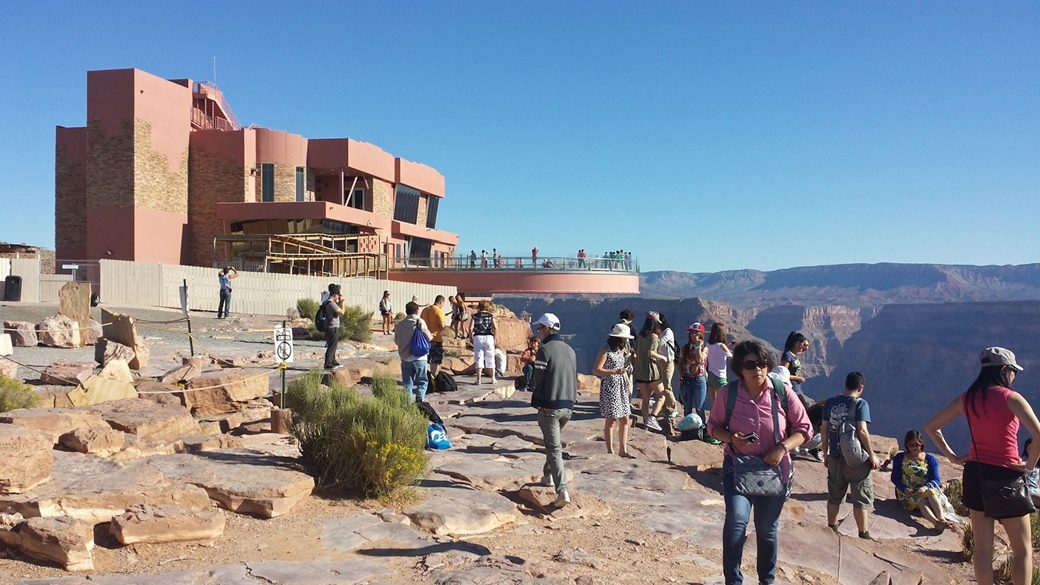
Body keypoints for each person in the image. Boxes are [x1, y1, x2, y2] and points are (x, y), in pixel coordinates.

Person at [926, 347, 1040, 585]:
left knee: (982, 551)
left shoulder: (967, 398)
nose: (1014, 376)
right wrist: (1029, 466)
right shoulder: (1011, 398)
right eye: (1013, 371)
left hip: (974, 474)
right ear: (1005, 370)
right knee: (1022, 551)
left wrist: (954, 457)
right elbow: (1038, 434)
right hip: (1005, 476)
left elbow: (931, 426)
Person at [706, 340, 812, 585]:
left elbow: (805, 429)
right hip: (738, 466)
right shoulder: (728, 394)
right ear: (739, 368)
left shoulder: (782, 392)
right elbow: (713, 427)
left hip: (774, 470)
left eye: (763, 363)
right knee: (736, 520)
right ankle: (733, 581)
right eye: (751, 365)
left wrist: (782, 447)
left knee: (766, 529)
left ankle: (767, 580)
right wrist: (731, 438)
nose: (758, 369)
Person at [820, 372, 881, 539]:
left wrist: (825, 454)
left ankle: (831, 529)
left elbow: (823, 430)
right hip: (856, 461)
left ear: (846, 385)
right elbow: (862, 430)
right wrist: (872, 454)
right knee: (860, 496)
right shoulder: (861, 404)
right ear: (861, 388)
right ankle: (863, 533)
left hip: (835, 458)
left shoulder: (830, 403)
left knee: (834, 496)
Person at [530, 313, 577, 508]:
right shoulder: (570, 350)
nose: (538, 332)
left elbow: (538, 378)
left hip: (550, 406)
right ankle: (548, 475)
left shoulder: (545, 350)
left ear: (547, 328)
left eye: (539, 328)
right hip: (568, 406)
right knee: (553, 443)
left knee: (554, 449)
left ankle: (562, 491)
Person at [891, 430, 954, 532]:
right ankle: (936, 523)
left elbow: (936, 480)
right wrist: (904, 488)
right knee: (921, 501)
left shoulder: (930, 459)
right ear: (907, 445)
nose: (914, 447)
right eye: (911, 445)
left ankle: (942, 519)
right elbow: (895, 477)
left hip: (924, 489)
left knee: (931, 493)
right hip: (907, 492)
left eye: (917, 444)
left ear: (922, 443)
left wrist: (925, 487)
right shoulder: (900, 458)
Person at [593, 323, 634, 457]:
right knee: (611, 420)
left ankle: (623, 450)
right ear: (618, 338)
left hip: (621, 386)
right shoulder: (604, 350)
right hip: (610, 387)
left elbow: (622, 367)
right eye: (624, 338)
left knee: (625, 419)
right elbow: (596, 370)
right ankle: (610, 451)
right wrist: (614, 371)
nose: (626, 340)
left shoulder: (620, 350)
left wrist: (628, 382)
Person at [679, 322, 718, 444]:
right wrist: (681, 374)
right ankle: (687, 432)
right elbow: (680, 361)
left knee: (700, 407)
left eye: (696, 333)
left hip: (699, 380)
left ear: (701, 334)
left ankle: (701, 433)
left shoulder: (704, 348)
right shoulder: (685, 348)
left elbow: (700, 359)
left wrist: (697, 347)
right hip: (687, 380)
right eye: (692, 332)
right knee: (687, 407)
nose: (693, 335)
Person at [393, 301, 433, 403]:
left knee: (407, 384)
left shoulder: (400, 325)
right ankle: (420, 401)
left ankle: (409, 404)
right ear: (416, 311)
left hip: (405, 358)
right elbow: (428, 337)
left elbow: (396, 341)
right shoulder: (419, 321)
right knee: (422, 382)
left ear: (406, 311)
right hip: (420, 357)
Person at [633, 312, 666, 432]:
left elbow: (635, 350)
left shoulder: (640, 336)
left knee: (645, 399)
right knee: (662, 396)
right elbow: (651, 353)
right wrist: (663, 357)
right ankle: (653, 417)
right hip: (651, 372)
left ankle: (647, 424)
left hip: (640, 371)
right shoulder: (654, 337)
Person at [656, 313, 680, 420]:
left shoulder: (668, 332)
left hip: (668, 362)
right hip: (660, 361)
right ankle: (665, 408)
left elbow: (660, 343)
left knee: (666, 384)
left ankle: (672, 409)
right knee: (660, 385)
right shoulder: (661, 332)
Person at [470, 300, 498, 384]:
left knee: (479, 357)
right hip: (488, 337)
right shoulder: (490, 316)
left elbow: (470, 328)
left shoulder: (475, 316)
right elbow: (495, 327)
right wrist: (494, 338)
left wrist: (470, 337)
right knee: (490, 357)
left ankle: (478, 379)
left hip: (478, 336)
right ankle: (493, 378)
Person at [420, 295, 448, 377]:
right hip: (435, 338)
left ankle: (423, 377)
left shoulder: (425, 310)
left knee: (425, 359)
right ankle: (433, 377)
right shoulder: (438, 311)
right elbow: (442, 325)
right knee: (435, 360)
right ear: (441, 302)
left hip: (425, 338)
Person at [706, 322, 732, 408]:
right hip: (719, 376)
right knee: (725, 400)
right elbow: (732, 358)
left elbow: (717, 353)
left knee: (713, 400)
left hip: (710, 375)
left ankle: (713, 418)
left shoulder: (708, 344)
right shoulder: (721, 346)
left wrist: (727, 347)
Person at [322, 285, 345, 369]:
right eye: (338, 295)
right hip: (333, 327)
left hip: (328, 327)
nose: (338, 297)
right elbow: (342, 312)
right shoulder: (331, 303)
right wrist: (343, 305)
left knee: (332, 345)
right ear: (334, 295)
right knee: (332, 346)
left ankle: (333, 361)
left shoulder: (326, 303)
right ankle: (327, 364)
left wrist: (339, 303)